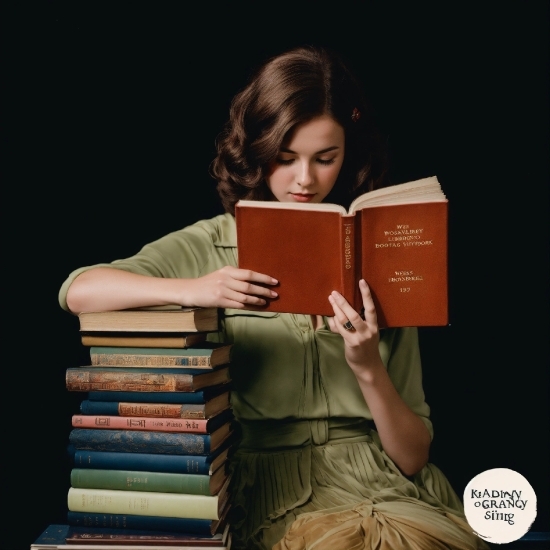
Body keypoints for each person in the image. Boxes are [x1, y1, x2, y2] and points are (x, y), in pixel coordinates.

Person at [59, 45, 488, 550]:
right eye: (285, 159)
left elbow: (413, 457)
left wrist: (368, 365)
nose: (305, 179)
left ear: (349, 153)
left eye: (326, 158)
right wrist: (193, 289)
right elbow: (79, 290)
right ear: (257, 149)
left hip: (386, 486)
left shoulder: (374, 253)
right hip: (274, 489)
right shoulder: (214, 241)